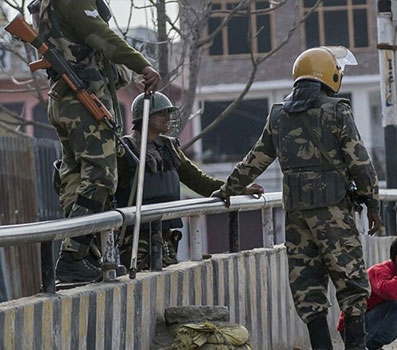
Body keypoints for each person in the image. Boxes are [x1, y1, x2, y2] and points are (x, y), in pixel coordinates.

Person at [212, 46, 382, 350]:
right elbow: (360, 163)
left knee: (307, 288)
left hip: (297, 217)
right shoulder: (337, 111)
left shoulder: (278, 115)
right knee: (352, 285)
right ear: (329, 75)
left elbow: (256, 159)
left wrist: (227, 189)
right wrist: (373, 204)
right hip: (335, 215)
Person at [30, 0, 162, 282]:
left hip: (68, 98)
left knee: (76, 179)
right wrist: (142, 65)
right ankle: (73, 255)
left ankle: (84, 256)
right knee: (101, 177)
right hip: (81, 99)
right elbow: (98, 33)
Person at [115, 92, 263, 270]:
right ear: (145, 116)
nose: (167, 118)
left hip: (165, 235)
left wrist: (238, 189)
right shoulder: (126, 151)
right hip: (135, 239)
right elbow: (109, 189)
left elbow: (200, 182)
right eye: (161, 113)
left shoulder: (170, 148)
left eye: (168, 113)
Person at [337, 232, 397, 350]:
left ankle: (375, 345)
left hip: (368, 325)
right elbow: (390, 292)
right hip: (351, 329)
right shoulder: (380, 271)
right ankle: (368, 344)